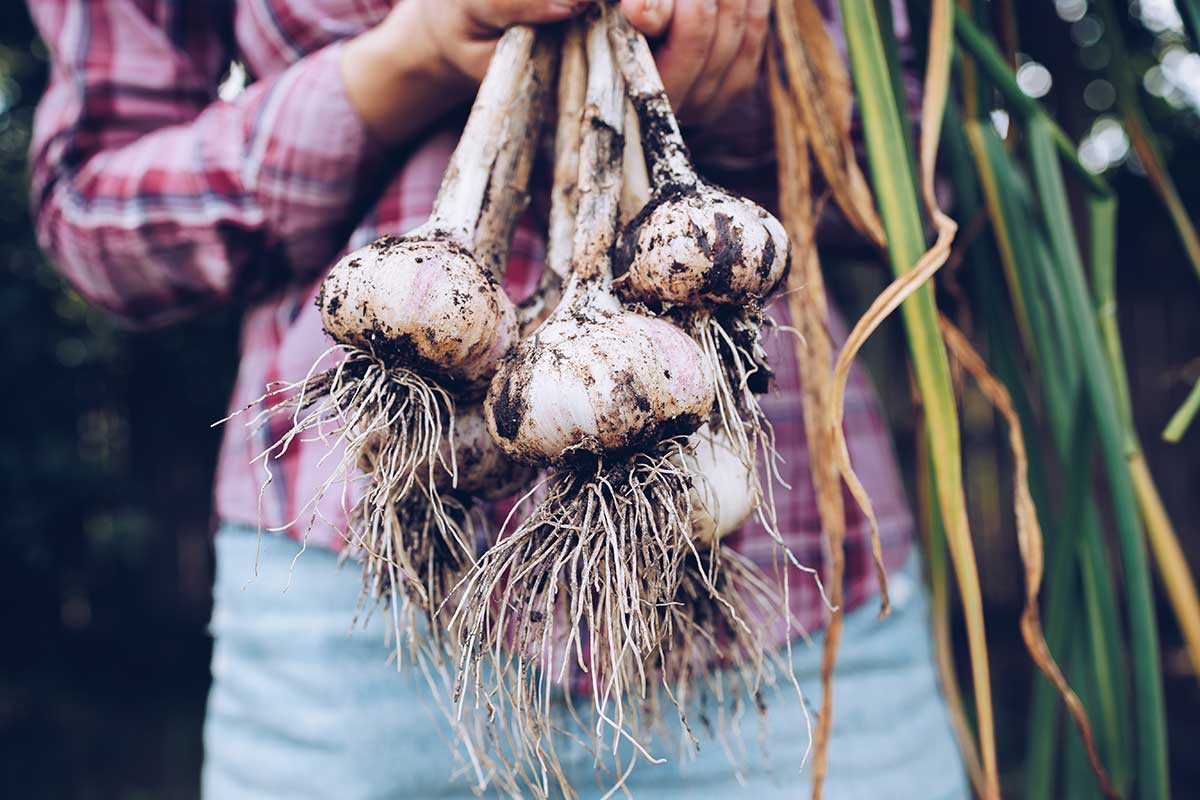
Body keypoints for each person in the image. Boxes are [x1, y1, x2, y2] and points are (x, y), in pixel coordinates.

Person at [28, 0, 967, 796]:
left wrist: (755, 87)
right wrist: (411, 56)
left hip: (789, 599)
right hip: (351, 595)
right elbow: (96, 215)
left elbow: (932, 186)